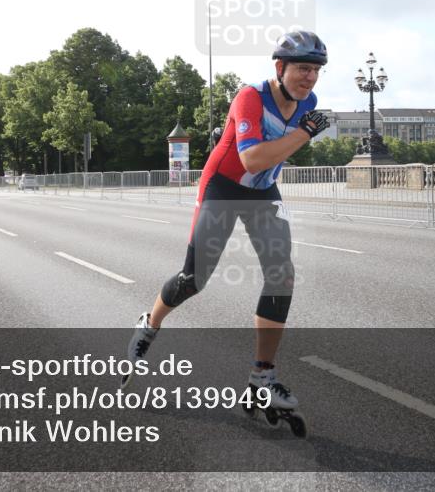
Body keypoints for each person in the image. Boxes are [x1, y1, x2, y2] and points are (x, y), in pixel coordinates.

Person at [124, 31, 330, 415]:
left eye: (316, 71)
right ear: (280, 67)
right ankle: (149, 324)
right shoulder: (250, 96)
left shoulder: (309, 102)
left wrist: (299, 132)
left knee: (282, 276)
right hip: (223, 186)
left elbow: (270, 160)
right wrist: (304, 133)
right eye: (303, 69)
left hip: (262, 192)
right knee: (194, 280)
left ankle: (261, 378)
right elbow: (252, 159)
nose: (310, 78)